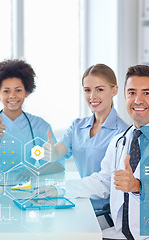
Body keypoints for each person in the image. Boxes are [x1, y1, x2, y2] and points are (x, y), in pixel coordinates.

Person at [36, 65, 149, 239]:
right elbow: (103, 181)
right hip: (123, 233)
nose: (137, 100)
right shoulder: (120, 141)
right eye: (131, 93)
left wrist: (138, 186)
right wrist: (59, 189)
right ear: (124, 97)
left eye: (146, 93)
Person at [42, 63, 128, 210]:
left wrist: (60, 189)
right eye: (87, 90)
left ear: (114, 90)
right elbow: (58, 151)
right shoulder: (77, 126)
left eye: (99, 89)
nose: (92, 96)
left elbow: (107, 183)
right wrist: (50, 152)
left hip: (106, 212)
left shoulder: (123, 133)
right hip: (81, 200)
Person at [0, 59, 64, 178]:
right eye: (6, 91)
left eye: (18, 90)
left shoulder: (40, 126)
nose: (12, 96)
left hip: (27, 190)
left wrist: (35, 171)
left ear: (26, 92)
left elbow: (58, 164)